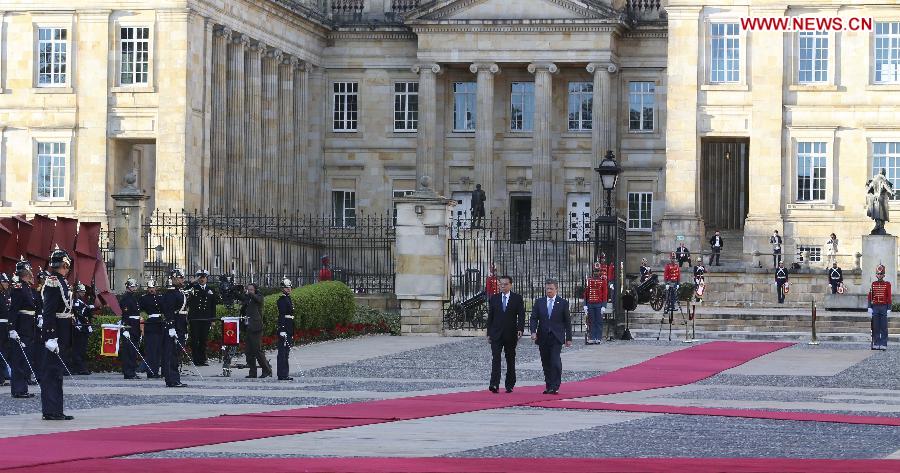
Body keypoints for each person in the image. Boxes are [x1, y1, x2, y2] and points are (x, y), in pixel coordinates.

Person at [39, 247, 75, 420]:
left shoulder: (61, 280)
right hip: (55, 331)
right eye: (67, 266)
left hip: (62, 328)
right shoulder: (53, 281)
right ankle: (50, 410)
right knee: (51, 371)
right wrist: (50, 335)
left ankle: (56, 409)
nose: (67, 269)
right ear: (64, 264)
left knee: (57, 371)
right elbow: (49, 311)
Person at [530, 279, 571, 395]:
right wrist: (533, 331)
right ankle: (549, 385)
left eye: (551, 289)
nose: (549, 291)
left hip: (556, 336)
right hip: (542, 336)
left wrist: (568, 338)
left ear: (556, 289)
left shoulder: (562, 303)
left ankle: (555, 385)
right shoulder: (539, 302)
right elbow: (534, 318)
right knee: (546, 362)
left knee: (555, 361)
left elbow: (567, 322)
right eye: (547, 288)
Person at [486, 275, 525, 393]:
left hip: (510, 334)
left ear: (510, 285)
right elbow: (490, 317)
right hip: (496, 334)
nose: (503, 286)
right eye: (501, 284)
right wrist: (489, 333)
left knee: (510, 359)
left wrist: (520, 329)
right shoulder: (494, 298)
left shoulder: (517, 298)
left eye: (505, 284)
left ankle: (510, 384)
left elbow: (521, 315)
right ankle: (494, 384)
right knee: (496, 359)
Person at [8, 258, 37, 398]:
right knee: (19, 359)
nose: (32, 273)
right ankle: (18, 390)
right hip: (21, 328)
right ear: (25, 271)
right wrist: (12, 328)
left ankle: (23, 388)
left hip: (28, 327)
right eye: (30, 270)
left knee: (25, 358)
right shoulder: (19, 287)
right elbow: (14, 310)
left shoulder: (26, 287)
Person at [161, 269, 188, 388]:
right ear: (174, 279)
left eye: (183, 278)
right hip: (174, 327)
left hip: (180, 326)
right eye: (181, 278)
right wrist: (171, 327)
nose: (183, 280)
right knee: (171, 354)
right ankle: (171, 379)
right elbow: (169, 311)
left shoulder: (179, 292)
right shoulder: (171, 293)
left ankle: (175, 378)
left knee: (176, 354)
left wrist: (185, 330)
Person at [187, 269, 219, 367]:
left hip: (206, 318)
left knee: (203, 339)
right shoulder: (193, 288)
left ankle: (203, 359)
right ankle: (196, 359)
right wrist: (191, 283)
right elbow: (184, 291)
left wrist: (213, 319)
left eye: (204, 277)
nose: (202, 279)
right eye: (200, 278)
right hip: (195, 318)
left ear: (206, 278)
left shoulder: (210, 290)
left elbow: (213, 306)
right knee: (195, 339)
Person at [243, 283, 272, 379]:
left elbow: (258, 299)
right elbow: (241, 299)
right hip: (248, 327)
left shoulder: (259, 297)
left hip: (256, 327)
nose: (249, 291)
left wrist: (250, 294)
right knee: (249, 351)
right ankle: (252, 372)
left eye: (251, 289)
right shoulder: (248, 298)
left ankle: (267, 370)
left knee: (257, 350)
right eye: (248, 289)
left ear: (255, 290)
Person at [139, 278, 165, 379]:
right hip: (150, 324)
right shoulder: (144, 298)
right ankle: (150, 371)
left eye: (153, 288)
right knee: (150, 350)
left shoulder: (160, 297)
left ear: (156, 288)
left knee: (158, 350)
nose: (151, 290)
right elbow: (141, 311)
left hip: (159, 324)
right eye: (149, 288)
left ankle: (156, 370)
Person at [119, 277, 142, 380]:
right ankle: (128, 372)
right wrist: (126, 329)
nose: (134, 288)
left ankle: (132, 371)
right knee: (128, 351)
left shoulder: (133, 297)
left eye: (135, 286)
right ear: (128, 287)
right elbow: (126, 315)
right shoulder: (125, 298)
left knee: (133, 351)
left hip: (135, 326)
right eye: (132, 286)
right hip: (130, 327)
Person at [70, 282, 94, 375]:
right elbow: (78, 314)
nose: (83, 293)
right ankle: (79, 368)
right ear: (77, 292)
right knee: (78, 349)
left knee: (82, 349)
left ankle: (81, 367)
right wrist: (86, 322)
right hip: (79, 328)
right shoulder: (75, 302)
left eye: (84, 292)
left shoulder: (81, 301)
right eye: (81, 292)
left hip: (83, 327)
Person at [583, 262, 608, 344]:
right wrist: (585, 305)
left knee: (599, 322)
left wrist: (604, 306)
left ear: (600, 271)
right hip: (590, 304)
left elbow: (605, 294)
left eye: (598, 271)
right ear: (593, 271)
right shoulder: (589, 280)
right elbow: (586, 293)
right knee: (591, 321)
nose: (596, 273)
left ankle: (598, 338)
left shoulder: (603, 281)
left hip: (599, 304)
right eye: (595, 271)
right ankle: (592, 337)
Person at [867, 264, 891, 350]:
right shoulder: (873, 284)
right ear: (876, 275)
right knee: (875, 326)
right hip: (875, 307)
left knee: (884, 326)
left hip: (884, 306)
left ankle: (883, 343)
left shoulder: (887, 284)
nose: (880, 275)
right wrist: (869, 306)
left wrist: (889, 307)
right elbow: (870, 296)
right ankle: (876, 343)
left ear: (884, 275)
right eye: (878, 274)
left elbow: (889, 296)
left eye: (881, 274)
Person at [277, 278, 295, 381]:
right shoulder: (282, 300)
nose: (288, 289)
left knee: (286, 352)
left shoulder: (288, 299)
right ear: (282, 289)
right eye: (286, 287)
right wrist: (282, 329)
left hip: (289, 327)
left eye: (289, 287)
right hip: (285, 328)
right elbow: (282, 316)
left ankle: (284, 373)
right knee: (283, 352)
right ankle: (282, 374)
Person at [0, 273, 11, 387]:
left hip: (5, 326)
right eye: (4, 281)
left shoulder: (5, 295)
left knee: (4, 351)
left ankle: (3, 376)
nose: (7, 283)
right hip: (0, 325)